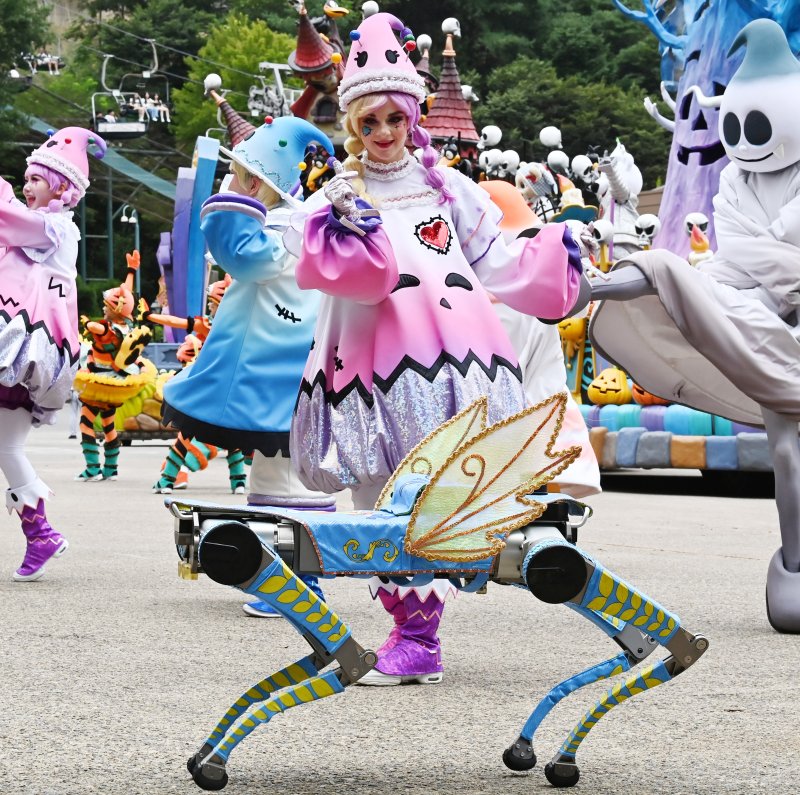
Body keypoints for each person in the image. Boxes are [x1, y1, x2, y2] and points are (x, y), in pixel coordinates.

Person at [287, 12, 588, 685]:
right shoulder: (339, 192)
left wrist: (555, 253)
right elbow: (294, 247)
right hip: (363, 361)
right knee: (375, 491)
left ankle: (418, 636)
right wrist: (315, 231)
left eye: (395, 119)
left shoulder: (450, 188)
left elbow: (500, 258)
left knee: (430, 490)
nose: (385, 134)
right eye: (370, 123)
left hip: (449, 357)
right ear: (353, 126)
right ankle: (410, 629)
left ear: (413, 116)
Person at [589, 19, 800, 632]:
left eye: (755, 124)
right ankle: (794, 563)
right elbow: (731, 269)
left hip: (771, 312)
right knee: (788, 453)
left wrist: (764, 265)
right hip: (769, 328)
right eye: (733, 126)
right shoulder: (734, 184)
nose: (744, 140)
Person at [161, 115, 337, 617]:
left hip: (277, 371)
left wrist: (236, 199)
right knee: (273, 477)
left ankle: (297, 587)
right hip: (288, 368)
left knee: (285, 481)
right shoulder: (302, 224)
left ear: (260, 182)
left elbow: (239, 251)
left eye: (240, 175)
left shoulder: (287, 229)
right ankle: (281, 579)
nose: (231, 183)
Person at [0, 126, 106, 580]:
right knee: (6, 445)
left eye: (38, 180)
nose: (28, 186)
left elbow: (8, 222)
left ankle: (42, 534)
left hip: (26, 354)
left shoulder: (55, 228)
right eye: (26, 179)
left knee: (7, 445)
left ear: (63, 188)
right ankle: (40, 533)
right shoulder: (37, 228)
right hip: (22, 353)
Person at [74, 251, 152, 481]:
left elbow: (93, 326)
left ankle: (92, 468)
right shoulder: (126, 328)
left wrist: (86, 322)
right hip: (115, 384)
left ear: (113, 309)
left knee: (86, 423)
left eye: (106, 305)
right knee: (108, 424)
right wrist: (132, 271)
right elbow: (125, 296)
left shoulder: (104, 329)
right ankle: (111, 469)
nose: (104, 308)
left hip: (99, 381)